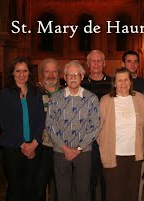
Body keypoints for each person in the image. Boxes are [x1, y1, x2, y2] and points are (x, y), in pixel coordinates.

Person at [46, 60, 100, 201]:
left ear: (82, 76)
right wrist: (65, 148)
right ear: (65, 77)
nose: (73, 77)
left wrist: (78, 148)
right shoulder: (55, 98)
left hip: (83, 152)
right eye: (70, 75)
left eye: (76, 74)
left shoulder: (92, 99)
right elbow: (50, 126)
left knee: (83, 192)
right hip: (60, 151)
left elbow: (95, 126)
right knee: (63, 192)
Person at [0, 56, 46, 201]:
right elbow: (4, 123)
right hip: (12, 147)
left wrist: (34, 144)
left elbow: (41, 120)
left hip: (35, 145)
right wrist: (24, 145)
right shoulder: (5, 94)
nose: (21, 74)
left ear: (29, 73)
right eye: (18, 71)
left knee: (31, 187)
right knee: (15, 188)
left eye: (24, 71)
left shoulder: (37, 92)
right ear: (12, 73)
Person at [98, 67, 144, 201]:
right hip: (113, 155)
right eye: (119, 80)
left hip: (135, 155)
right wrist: (104, 146)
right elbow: (98, 128)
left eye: (126, 80)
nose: (123, 83)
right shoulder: (105, 101)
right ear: (114, 83)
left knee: (132, 193)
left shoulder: (140, 98)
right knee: (114, 194)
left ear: (131, 82)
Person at [82, 50, 111, 201]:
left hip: (108, 138)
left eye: (99, 61)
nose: (96, 64)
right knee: (90, 179)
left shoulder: (113, 83)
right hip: (88, 140)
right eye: (92, 61)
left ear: (104, 63)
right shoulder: (81, 84)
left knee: (107, 179)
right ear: (87, 64)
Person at [121, 50, 144, 201]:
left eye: (135, 61)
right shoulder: (115, 83)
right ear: (123, 64)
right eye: (129, 61)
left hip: (139, 139)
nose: (133, 64)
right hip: (120, 141)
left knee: (137, 179)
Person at [36, 58, 62, 201]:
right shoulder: (34, 94)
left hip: (61, 148)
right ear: (42, 74)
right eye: (47, 71)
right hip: (41, 147)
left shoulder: (66, 94)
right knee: (39, 185)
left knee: (59, 187)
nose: (51, 75)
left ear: (59, 74)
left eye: (54, 71)